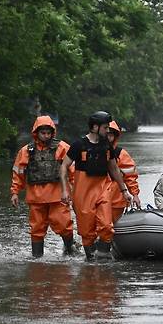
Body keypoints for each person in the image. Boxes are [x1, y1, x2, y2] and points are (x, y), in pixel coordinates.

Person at [60, 111, 133, 260]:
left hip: (102, 187)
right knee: (87, 232)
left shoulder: (107, 146)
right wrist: (64, 190)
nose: (108, 131)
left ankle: (104, 255)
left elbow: (113, 168)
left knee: (106, 225)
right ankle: (90, 260)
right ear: (94, 127)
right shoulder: (78, 145)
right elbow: (64, 166)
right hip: (83, 190)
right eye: (105, 128)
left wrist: (124, 190)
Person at [10, 116, 77, 258]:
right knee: (36, 228)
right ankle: (37, 257)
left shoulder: (63, 148)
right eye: (43, 133)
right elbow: (18, 173)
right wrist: (15, 192)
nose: (46, 136)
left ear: (52, 133)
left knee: (64, 224)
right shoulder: (26, 151)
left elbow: (72, 171)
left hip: (58, 196)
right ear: (36, 133)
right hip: (35, 198)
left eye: (48, 133)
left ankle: (70, 250)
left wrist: (75, 191)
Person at [106, 121, 141, 222]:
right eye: (106, 134)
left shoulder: (121, 154)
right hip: (96, 196)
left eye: (111, 135)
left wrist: (135, 195)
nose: (108, 138)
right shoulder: (91, 152)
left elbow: (130, 176)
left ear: (115, 137)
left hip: (116, 198)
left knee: (112, 228)